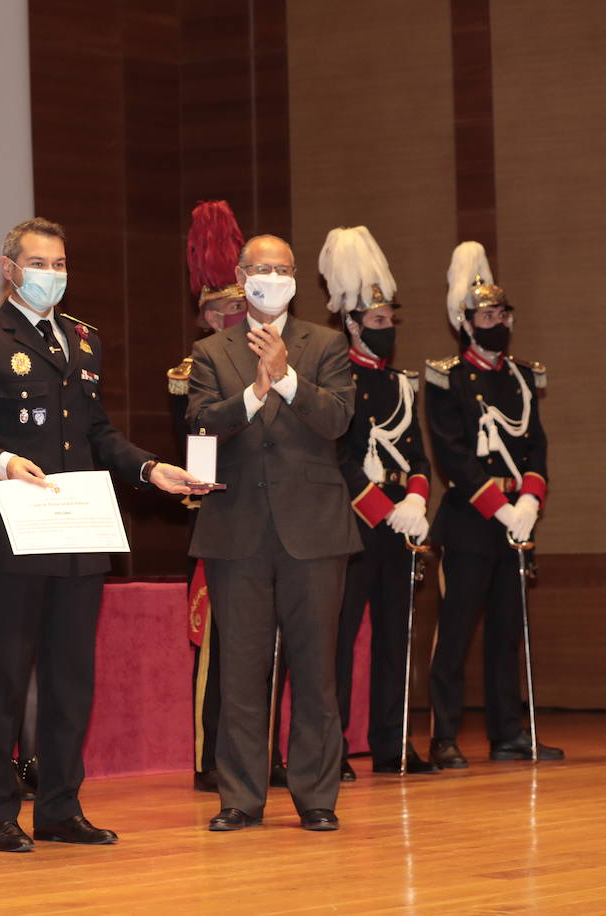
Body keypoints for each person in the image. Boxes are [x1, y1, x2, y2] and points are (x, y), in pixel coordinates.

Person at [0, 217, 207, 853]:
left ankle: (59, 806)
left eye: (60, 264)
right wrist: (2, 461)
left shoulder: (84, 341)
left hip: (80, 530)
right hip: (12, 528)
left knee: (70, 679)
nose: (51, 274)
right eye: (39, 263)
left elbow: (96, 435)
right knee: (2, 677)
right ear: (9, 268)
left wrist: (149, 468)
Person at [187, 233, 360, 833]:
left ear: (295, 277)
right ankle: (240, 797)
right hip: (237, 532)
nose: (271, 277)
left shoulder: (328, 344)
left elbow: (337, 419)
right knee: (240, 670)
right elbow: (202, 425)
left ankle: (317, 797)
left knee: (315, 669)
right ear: (240, 274)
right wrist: (257, 392)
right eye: (259, 268)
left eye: (282, 269)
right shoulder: (211, 350)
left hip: (314, 532)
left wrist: (287, 380)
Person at [424, 241, 563, 768]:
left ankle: (510, 735)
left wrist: (529, 498)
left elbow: (536, 446)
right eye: (486, 314)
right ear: (467, 322)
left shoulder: (523, 377)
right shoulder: (448, 378)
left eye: (501, 312)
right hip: (469, 523)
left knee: (508, 634)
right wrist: (500, 507)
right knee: (455, 634)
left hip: (515, 523)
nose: (496, 320)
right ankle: (444, 737)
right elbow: (453, 455)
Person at [319, 227, 438, 778]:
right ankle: (335, 747)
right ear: (350, 323)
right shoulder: (336, 379)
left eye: (391, 322)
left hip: (400, 522)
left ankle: (392, 745)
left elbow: (416, 454)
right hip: (355, 524)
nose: (387, 331)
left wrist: (415, 500)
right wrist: (381, 509)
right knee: (340, 643)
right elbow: (339, 458)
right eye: (377, 322)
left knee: (397, 638)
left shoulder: (403, 384)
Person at [168, 200, 249, 794]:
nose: (229, 316)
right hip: (221, 511)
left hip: (275, 513)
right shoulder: (189, 369)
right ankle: (210, 756)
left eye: (237, 306)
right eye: (218, 308)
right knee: (218, 645)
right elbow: (198, 440)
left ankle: (259, 753)